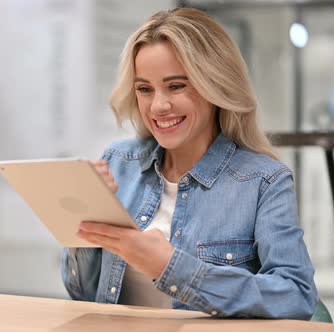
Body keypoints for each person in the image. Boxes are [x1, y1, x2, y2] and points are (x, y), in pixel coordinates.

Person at [60, 7, 318, 319]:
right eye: (144, 89)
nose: (158, 106)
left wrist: (172, 268)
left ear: (215, 85)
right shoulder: (118, 162)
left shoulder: (264, 180)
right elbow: (81, 293)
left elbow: (297, 298)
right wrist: (86, 222)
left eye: (176, 86)